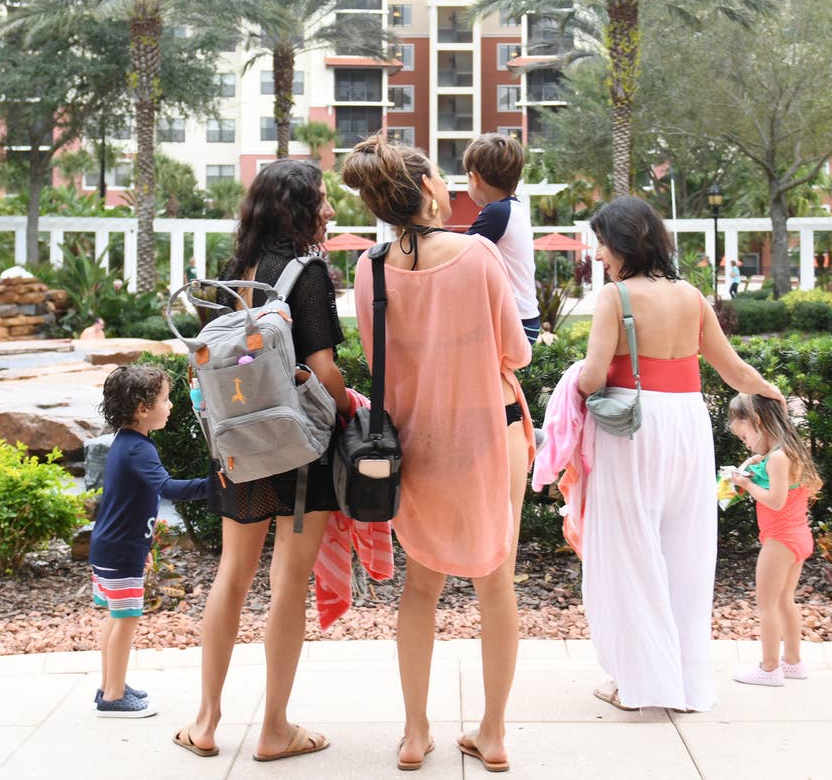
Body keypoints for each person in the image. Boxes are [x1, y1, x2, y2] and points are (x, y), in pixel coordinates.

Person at [342, 136, 533, 773]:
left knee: (421, 586)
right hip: (488, 437)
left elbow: (378, 363)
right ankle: (494, 734)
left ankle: (415, 735)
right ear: (427, 189)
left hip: (415, 446)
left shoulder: (369, 268)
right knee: (495, 582)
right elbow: (518, 352)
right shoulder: (478, 254)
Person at [575, 197, 782, 713]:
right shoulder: (691, 297)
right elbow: (736, 373)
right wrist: (775, 395)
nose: (599, 253)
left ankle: (639, 680)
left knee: (631, 551)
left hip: (632, 424)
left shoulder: (614, 297)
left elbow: (593, 377)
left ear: (622, 243)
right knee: (685, 548)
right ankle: (685, 682)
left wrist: (569, 386)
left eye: (602, 242)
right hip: (687, 424)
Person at [175, 159, 351, 761]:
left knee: (232, 575)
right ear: (298, 209)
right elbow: (323, 371)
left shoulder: (235, 272)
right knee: (288, 584)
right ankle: (275, 728)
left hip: (239, 447)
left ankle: (205, 721)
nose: (329, 211)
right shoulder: (307, 272)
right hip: (298, 451)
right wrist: (354, 407)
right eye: (322, 202)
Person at [90, 364, 212, 718]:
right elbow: (168, 487)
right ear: (142, 409)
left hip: (112, 547)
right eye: (164, 399)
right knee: (126, 619)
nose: (171, 405)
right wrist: (215, 484)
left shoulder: (128, 443)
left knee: (116, 618)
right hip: (121, 550)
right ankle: (114, 697)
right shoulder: (138, 449)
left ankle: (109, 686)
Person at [726, 392, 822, 687]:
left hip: (780, 539)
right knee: (784, 600)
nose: (746, 443)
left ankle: (769, 668)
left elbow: (775, 501)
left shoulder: (778, 459)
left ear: (758, 422)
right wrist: (755, 464)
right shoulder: (786, 453)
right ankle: (793, 662)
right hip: (798, 538)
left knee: (766, 604)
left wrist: (746, 484)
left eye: (745, 436)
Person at [463, 132, 540, 345]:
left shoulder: (497, 212)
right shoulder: (513, 209)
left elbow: (458, 252)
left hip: (513, 320)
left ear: (474, 178)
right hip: (526, 318)